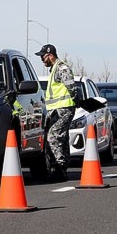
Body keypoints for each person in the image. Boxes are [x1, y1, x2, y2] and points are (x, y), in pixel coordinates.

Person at [34, 44, 77, 182]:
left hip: (64, 109)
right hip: (58, 109)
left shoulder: (62, 68)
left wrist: (75, 101)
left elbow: (71, 87)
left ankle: (59, 168)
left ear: (50, 55)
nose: (41, 59)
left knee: (53, 137)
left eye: (43, 56)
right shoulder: (54, 69)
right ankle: (61, 168)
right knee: (61, 139)